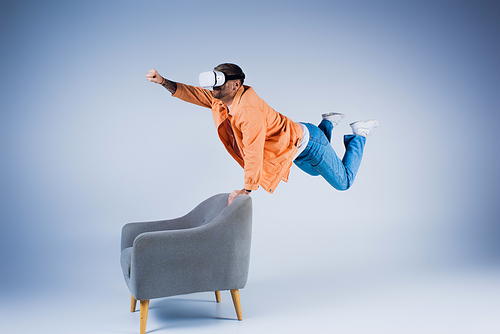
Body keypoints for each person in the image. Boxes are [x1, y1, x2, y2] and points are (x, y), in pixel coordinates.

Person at [146, 63, 378, 205]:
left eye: (219, 83)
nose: (213, 89)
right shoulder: (224, 99)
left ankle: (360, 134)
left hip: (307, 144)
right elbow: (195, 94)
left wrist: (247, 190)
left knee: (344, 182)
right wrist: (163, 81)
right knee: (317, 173)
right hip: (293, 146)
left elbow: (254, 152)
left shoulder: (248, 113)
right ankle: (327, 123)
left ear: (236, 85)